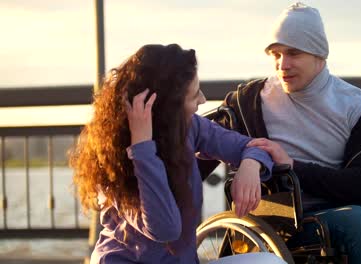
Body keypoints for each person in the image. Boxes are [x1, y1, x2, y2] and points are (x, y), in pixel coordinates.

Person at [199, 3, 361, 263]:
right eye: (275, 54)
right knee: (355, 220)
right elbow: (198, 142)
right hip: (283, 220)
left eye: (293, 53)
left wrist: (291, 165)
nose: (282, 64)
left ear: (319, 55)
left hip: (347, 203)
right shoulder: (249, 102)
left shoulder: (356, 106)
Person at [69, 44, 286, 264]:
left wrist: (250, 165)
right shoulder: (115, 162)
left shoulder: (190, 127)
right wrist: (143, 148)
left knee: (271, 262)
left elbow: (256, 146)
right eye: (193, 96)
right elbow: (166, 229)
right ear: (168, 107)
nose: (202, 100)